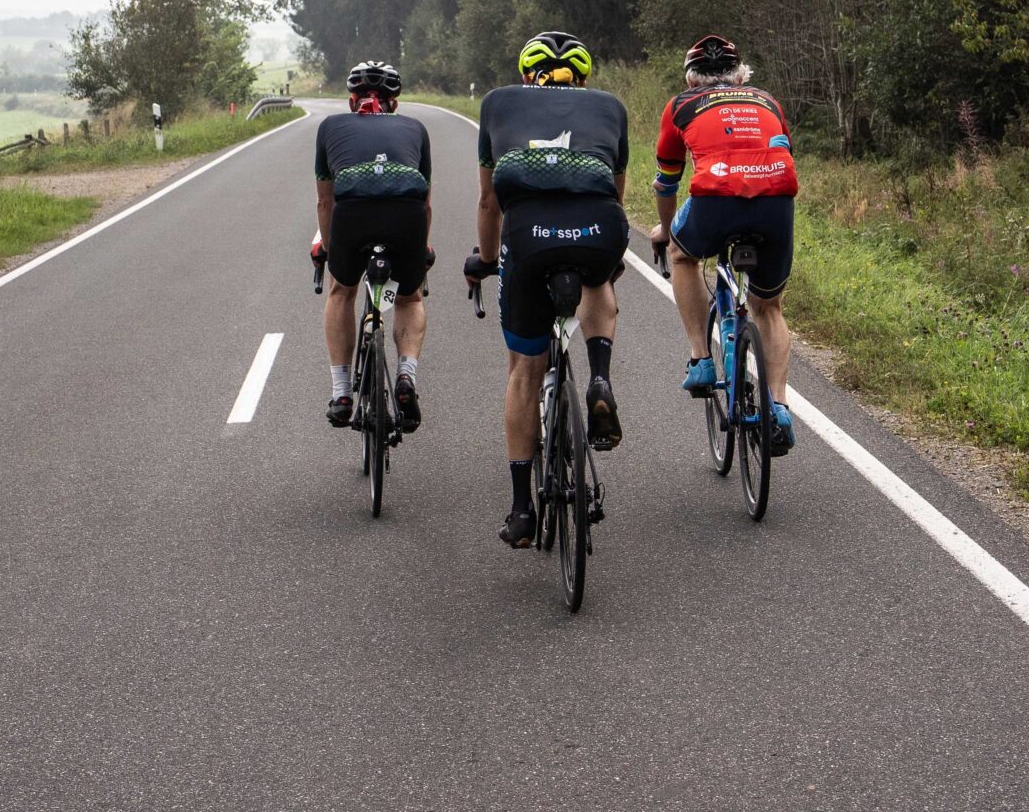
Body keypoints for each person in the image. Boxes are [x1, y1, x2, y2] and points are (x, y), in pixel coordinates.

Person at [462, 31, 629, 548]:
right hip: (598, 229)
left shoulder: (498, 103)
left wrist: (487, 261)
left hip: (527, 238)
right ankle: (599, 379)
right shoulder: (611, 107)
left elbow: (490, 202)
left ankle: (521, 510)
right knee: (599, 279)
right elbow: (615, 195)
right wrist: (605, 254)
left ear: (525, 73)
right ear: (583, 76)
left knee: (524, 372)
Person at [647, 35, 799, 455]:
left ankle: (700, 360)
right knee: (769, 308)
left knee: (683, 254)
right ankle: (780, 407)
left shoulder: (681, 105)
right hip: (775, 203)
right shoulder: (768, 101)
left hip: (715, 201)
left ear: (692, 79)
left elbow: (666, 181)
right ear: (741, 74)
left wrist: (665, 230)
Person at [311, 60, 433, 431]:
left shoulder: (330, 127)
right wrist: (422, 248)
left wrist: (330, 252)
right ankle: (406, 376)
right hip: (406, 217)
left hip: (353, 217)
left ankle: (342, 392)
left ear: (352, 100)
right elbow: (424, 202)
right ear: (394, 103)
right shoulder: (415, 128)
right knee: (410, 298)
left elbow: (325, 203)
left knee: (341, 291)